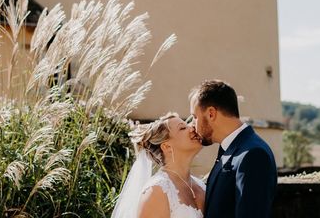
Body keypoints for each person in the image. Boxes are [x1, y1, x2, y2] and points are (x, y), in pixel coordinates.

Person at [189, 80, 277, 218]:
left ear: (211, 113)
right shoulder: (229, 149)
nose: (192, 125)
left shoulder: (253, 154)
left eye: (195, 117)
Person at [111, 112, 205, 218]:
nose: (192, 128)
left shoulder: (201, 186)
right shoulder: (157, 191)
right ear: (167, 146)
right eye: (182, 128)